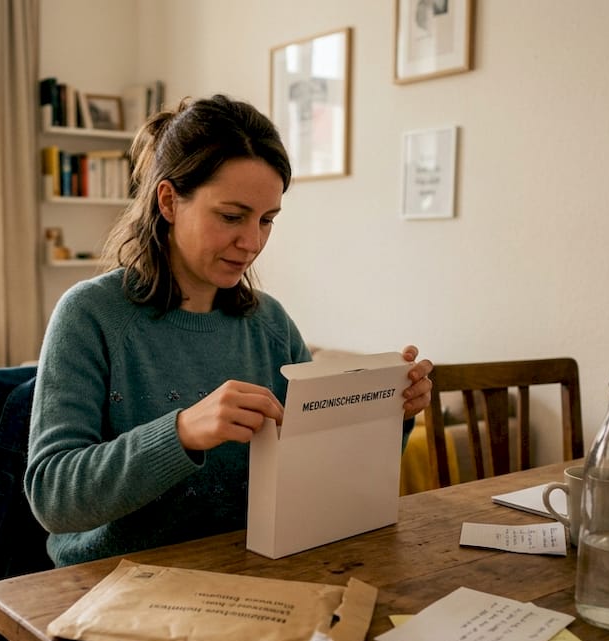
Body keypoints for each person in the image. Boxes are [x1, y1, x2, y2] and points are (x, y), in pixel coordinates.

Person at [25, 94, 433, 567]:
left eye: (267, 221)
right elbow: (52, 496)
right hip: (113, 582)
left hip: (247, 565)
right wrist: (180, 433)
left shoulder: (270, 324)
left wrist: (389, 414)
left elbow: (311, 477)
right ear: (169, 200)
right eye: (232, 216)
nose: (253, 242)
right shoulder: (91, 315)